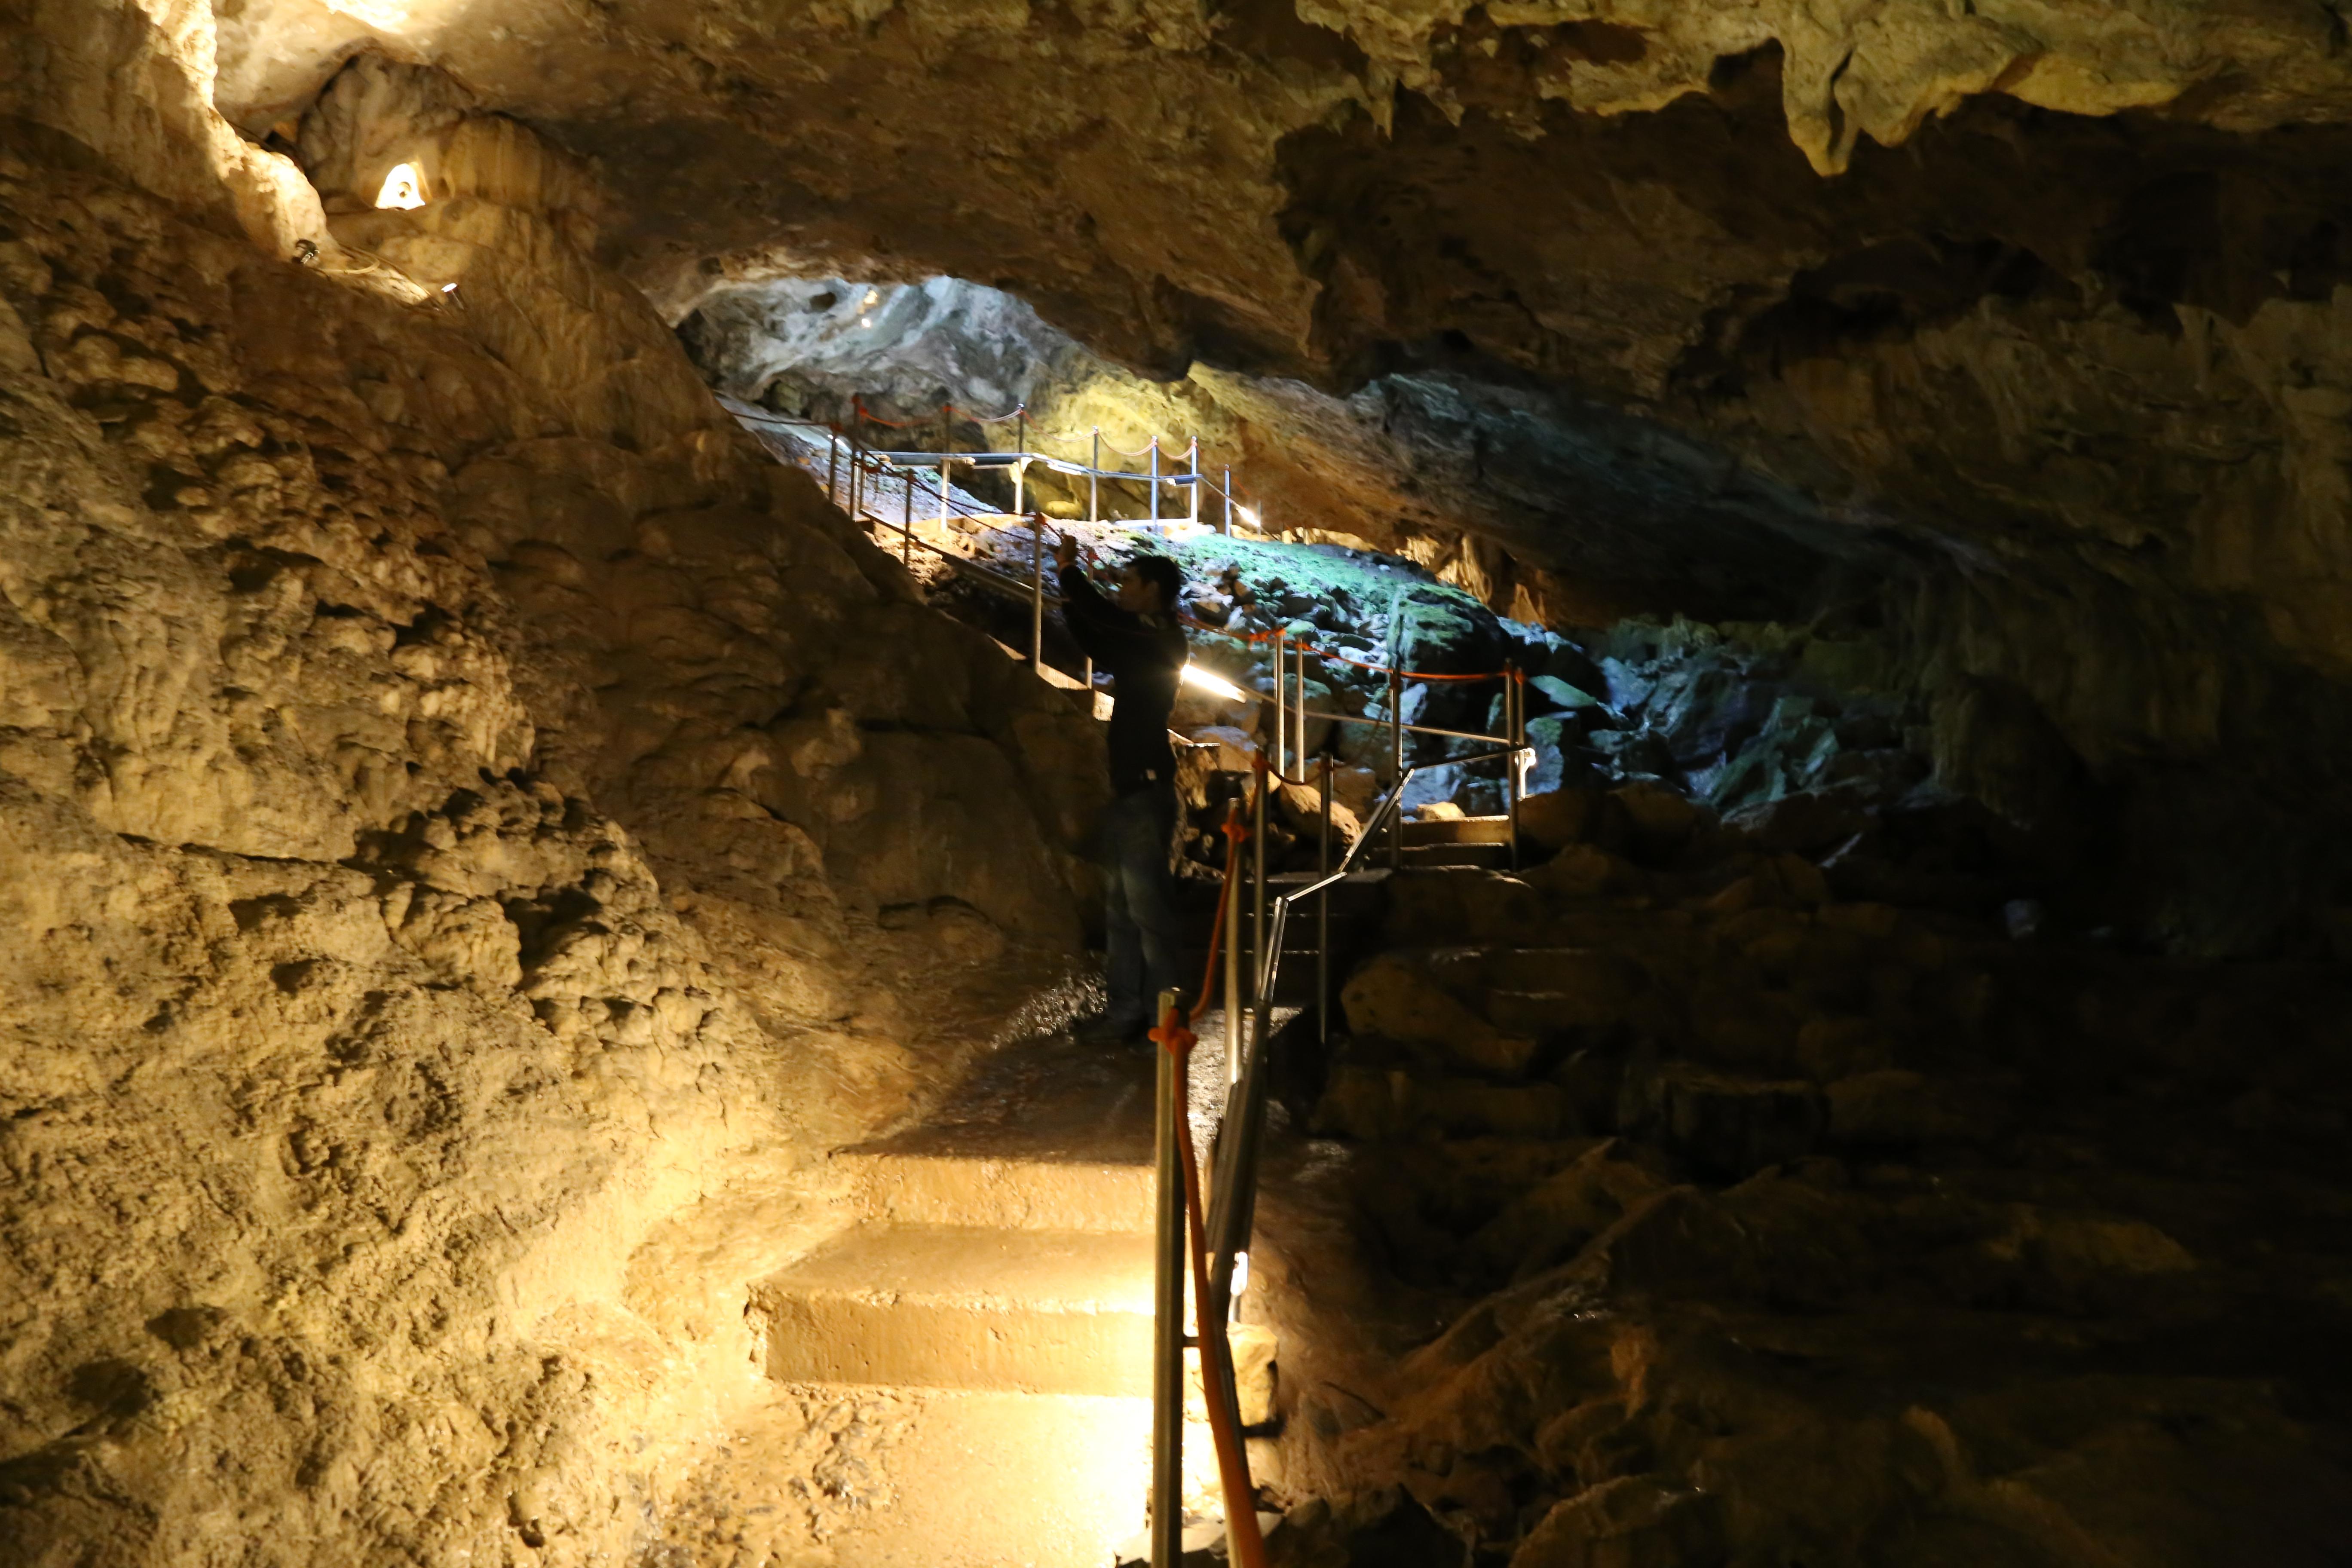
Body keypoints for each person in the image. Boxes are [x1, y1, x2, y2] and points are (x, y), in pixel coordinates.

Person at [1053, 526, 1188, 1044]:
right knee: (1122, 908)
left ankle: (1166, 1019)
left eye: (1128, 581)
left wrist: (1069, 569)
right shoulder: (1145, 643)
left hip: (1147, 788)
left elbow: (1108, 619)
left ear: (1152, 590)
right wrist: (1069, 598)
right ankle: (1126, 1013)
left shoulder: (1161, 634)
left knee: (1149, 911)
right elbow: (1098, 638)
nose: (1120, 588)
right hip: (1131, 788)